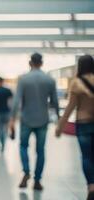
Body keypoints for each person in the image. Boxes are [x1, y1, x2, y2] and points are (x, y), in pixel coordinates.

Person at [10, 52, 59, 191]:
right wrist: (59, 120)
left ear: (30, 63)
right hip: (43, 120)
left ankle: (26, 172)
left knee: (23, 146)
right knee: (40, 151)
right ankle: (37, 180)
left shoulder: (23, 79)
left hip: (26, 119)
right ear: (42, 63)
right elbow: (54, 102)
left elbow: (16, 101)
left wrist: (12, 119)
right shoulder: (49, 80)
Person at [56, 55, 94, 200]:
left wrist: (60, 127)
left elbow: (70, 108)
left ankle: (91, 186)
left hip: (83, 123)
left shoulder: (76, 83)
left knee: (86, 156)